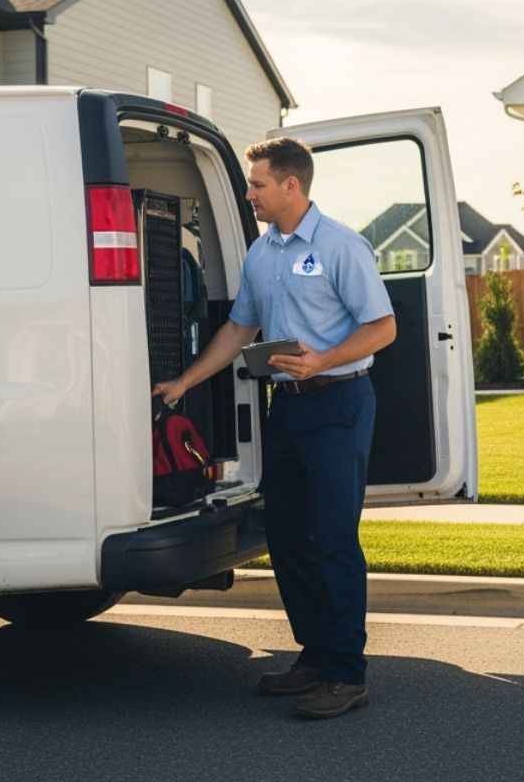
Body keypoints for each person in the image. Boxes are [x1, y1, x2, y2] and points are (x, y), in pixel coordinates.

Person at [154, 136, 395, 720]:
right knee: (286, 534)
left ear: (292, 185)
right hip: (286, 410)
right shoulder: (262, 255)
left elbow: (383, 327)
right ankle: (315, 656)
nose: (249, 193)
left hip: (339, 403)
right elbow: (240, 329)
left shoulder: (341, 246)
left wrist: (321, 359)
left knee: (334, 538)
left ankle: (346, 674)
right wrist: (185, 381)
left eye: (257, 184)